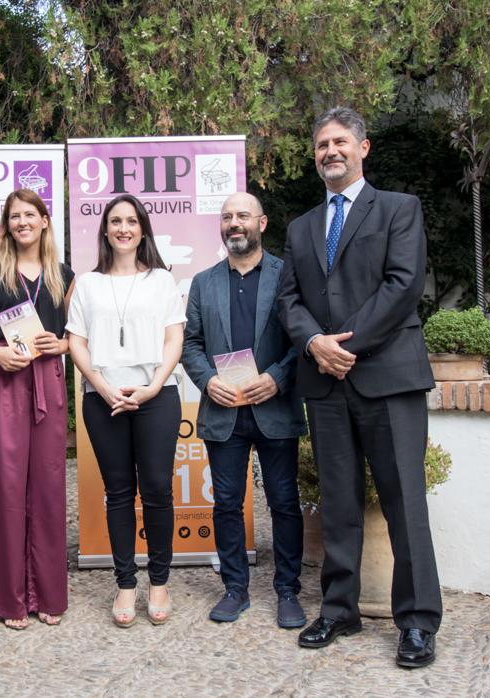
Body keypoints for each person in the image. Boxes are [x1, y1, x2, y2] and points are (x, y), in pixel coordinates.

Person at [277, 107, 441, 668]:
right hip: (323, 383)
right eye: (322, 144)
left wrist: (345, 346)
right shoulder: (300, 227)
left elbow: (403, 286)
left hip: (387, 379)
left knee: (403, 504)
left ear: (363, 147)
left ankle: (417, 622)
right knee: (339, 504)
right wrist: (314, 344)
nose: (330, 152)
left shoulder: (398, 209)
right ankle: (339, 609)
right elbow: (289, 301)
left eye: (340, 141)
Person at [182, 192, 307, 629]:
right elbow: (191, 344)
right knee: (227, 504)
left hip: (273, 406)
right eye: (227, 216)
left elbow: (302, 339)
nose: (234, 223)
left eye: (242, 216)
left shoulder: (287, 276)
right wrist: (207, 381)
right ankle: (235, 589)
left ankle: (288, 590)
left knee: (285, 502)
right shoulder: (203, 282)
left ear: (262, 223)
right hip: (224, 411)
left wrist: (277, 377)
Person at [66, 193, 185, 627]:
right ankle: (125, 584)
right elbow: (76, 341)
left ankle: (158, 582)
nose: (123, 228)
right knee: (117, 492)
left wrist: (153, 386)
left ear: (142, 229)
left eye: (131, 221)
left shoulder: (162, 281)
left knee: (156, 489)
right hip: (103, 399)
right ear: (105, 230)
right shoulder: (88, 282)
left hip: (157, 396)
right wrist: (100, 384)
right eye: (115, 221)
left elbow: (174, 337)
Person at [0, 189, 75, 630]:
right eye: (15, 216)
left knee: (48, 489)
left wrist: (62, 343)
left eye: (30, 215)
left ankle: (47, 593)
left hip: (47, 382)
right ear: (7, 224)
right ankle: (8, 598)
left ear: (45, 221)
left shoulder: (63, 275)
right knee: (5, 490)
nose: (22, 222)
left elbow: (77, 337)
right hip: (4, 384)